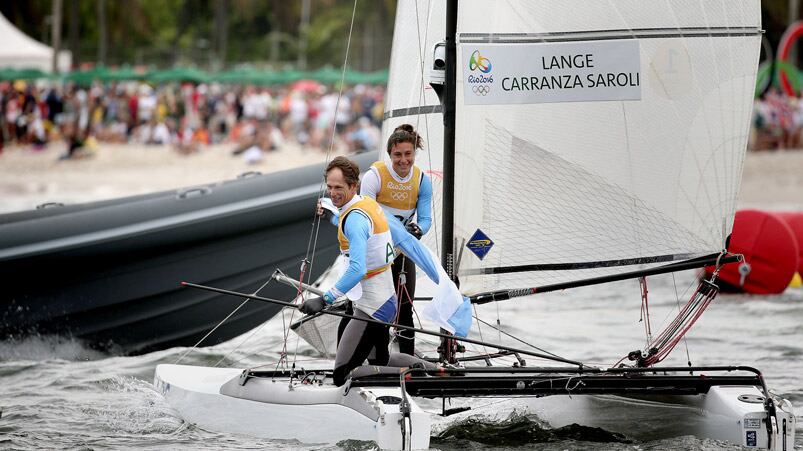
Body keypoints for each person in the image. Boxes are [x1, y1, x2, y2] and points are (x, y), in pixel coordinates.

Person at [303, 156, 398, 386]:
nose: (333, 193)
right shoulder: (362, 203)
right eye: (329, 187)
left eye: (339, 188)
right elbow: (350, 220)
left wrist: (324, 300)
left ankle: (415, 373)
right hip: (381, 300)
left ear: (353, 185)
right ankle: (431, 369)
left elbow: (357, 269)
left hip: (373, 307)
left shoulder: (355, 219)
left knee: (342, 374)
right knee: (381, 363)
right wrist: (329, 209)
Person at [359, 124, 433, 355]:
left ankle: (408, 363)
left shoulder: (421, 180)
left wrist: (418, 230)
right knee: (380, 306)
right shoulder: (375, 176)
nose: (403, 160)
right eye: (398, 155)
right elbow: (363, 214)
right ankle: (379, 359)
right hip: (376, 251)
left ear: (414, 154)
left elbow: (426, 219)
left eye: (408, 154)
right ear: (390, 154)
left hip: (402, 251)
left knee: (404, 309)